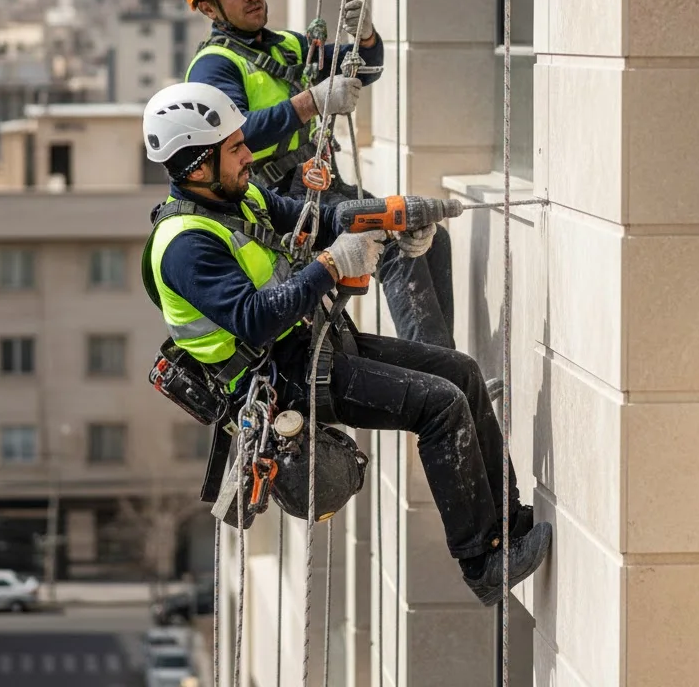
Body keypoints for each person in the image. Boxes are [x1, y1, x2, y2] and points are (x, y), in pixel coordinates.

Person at [140, 82, 552, 605]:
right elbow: (254, 319)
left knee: (461, 373)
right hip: (281, 377)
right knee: (440, 406)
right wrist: (333, 264)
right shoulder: (185, 244)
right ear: (197, 167)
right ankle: (482, 562)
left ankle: (508, 526)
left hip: (314, 344)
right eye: (235, 149)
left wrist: (394, 217)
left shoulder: (241, 197)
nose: (248, 156)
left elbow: (318, 219)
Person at [179, 0, 455, 350]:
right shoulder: (215, 66)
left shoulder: (288, 46)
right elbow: (233, 135)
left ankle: (444, 362)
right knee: (395, 242)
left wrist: (364, 40)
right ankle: (441, 373)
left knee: (429, 236)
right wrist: (310, 102)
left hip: (324, 188)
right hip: (282, 202)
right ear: (207, 8)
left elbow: (365, 71)